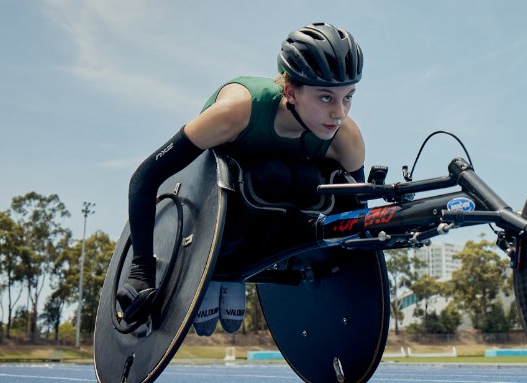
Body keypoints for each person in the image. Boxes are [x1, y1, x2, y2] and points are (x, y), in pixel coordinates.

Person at [117, 22, 366, 335]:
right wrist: (141, 270)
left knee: (308, 182)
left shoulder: (347, 139)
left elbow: (358, 214)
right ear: (290, 91)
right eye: (326, 98)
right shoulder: (236, 111)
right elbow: (145, 177)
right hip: (216, 207)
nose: (339, 114)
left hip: (274, 210)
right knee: (270, 176)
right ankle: (218, 264)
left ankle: (238, 273)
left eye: (348, 97)